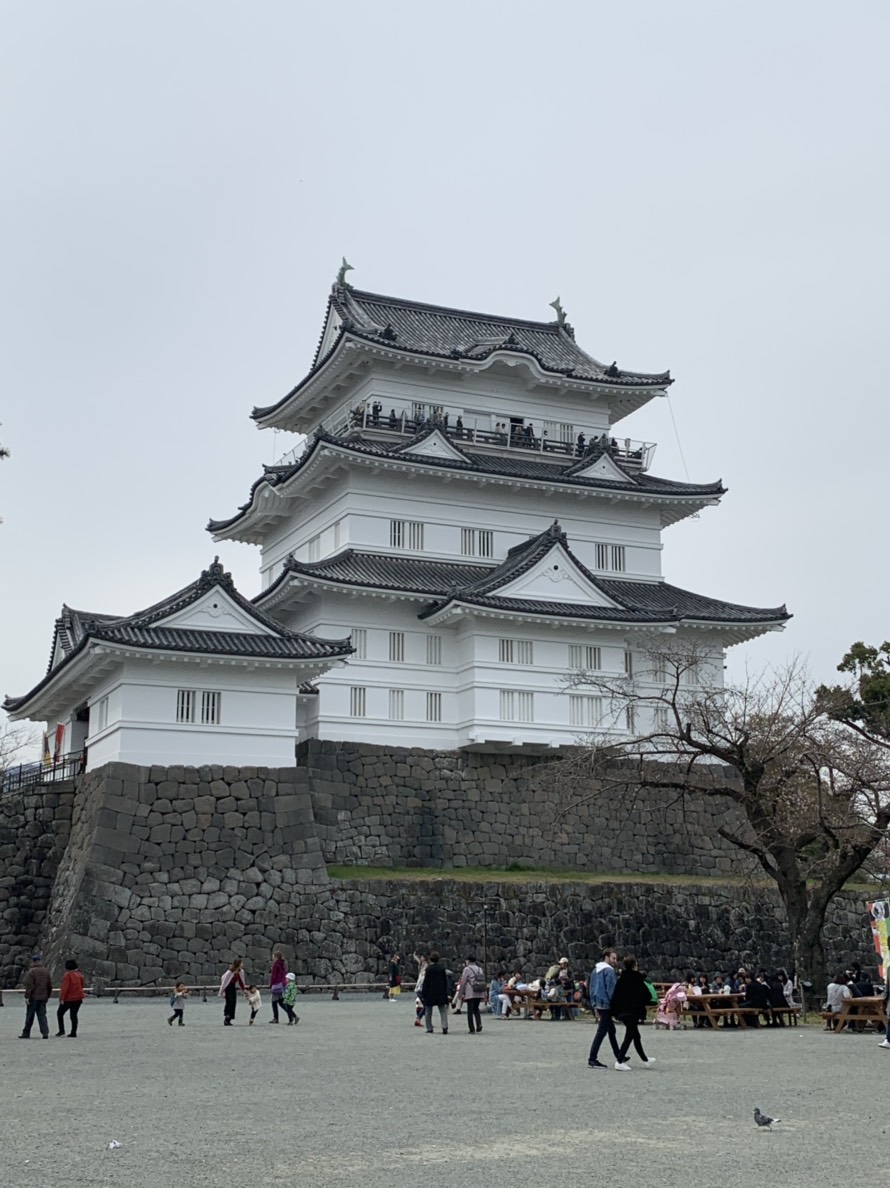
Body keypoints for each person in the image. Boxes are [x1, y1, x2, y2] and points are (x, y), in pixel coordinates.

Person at [610, 956, 656, 1070]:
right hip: (633, 1011)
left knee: (635, 1035)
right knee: (630, 1035)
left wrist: (614, 1011)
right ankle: (619, 1061)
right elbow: (647, 995)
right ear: (634, 965)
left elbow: (615, 996)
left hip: (622, 1011)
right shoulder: (637, 978)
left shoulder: (621, 979)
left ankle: (645, 1060)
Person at [586, 949, 622, 1069]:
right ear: (606, 957)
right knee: (601, 1031)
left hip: (598, 1002)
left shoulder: (595, 970)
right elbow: (611, 989)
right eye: (613, 958)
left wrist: (593, 1004)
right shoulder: (609, 971)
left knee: (611, 1030)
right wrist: (616, 1004)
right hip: (606, 1004)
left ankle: (619, 1055)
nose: (615, 961)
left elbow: (591, 987)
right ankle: (592, 1059)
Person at [19, 953, 52, 1039]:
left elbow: (29, 986)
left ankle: (26, 1033)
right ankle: (45, 1033)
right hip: (43, 997)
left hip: (33, 997)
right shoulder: (46, 971)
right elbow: (49, 985)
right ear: (40, 961)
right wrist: (47, 996)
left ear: (33, 962)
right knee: (42, 1016)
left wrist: (27, 997)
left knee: (30, 1015)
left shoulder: (31, 972)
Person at [420, 951, 449, 1034]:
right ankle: (444, 1026)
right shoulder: (442, 969)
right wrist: (446, 992)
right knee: (442, 1011)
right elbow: (445, 982)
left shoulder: (429, 969)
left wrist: (423, 993)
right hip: (440, 992)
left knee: (428, 1011)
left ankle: (429, 1027)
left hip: (430, 992)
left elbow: (426, 982)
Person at [458, 955, 486, 1034]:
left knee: (470, 1010)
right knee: (476, 1009)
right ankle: (479, 1024)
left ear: (468, 961)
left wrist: (460, 994)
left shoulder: (467, 969)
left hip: (470, 991)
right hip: (479, 990)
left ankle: (471, 1028)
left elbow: (463, 982)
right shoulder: (479, 969)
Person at [57, 958, 85, 1037]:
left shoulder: (67, 975)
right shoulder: (79, 974)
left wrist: (61, 998)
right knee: (73, 1015)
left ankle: (61, 1030)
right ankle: (73, 1032)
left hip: (69, 998)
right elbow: (82, 985)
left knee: (60, 1013)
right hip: (78, 998)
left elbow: (65, 988)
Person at [218, 958, 247, 1026]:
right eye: (241, 963)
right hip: (228, 987)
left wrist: (244, 990)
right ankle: (227, 1017)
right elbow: (224, 982)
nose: (242, 965)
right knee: (230, 1002)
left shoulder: (240, 972)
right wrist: (221, 991)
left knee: (233, 1002)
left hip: (233, 987)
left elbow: (241, 982)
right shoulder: (230, 972)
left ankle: (229, 1018)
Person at [269, 949, 288, 1023]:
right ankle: (292, 1014)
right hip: (281, 984)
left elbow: (273, 976)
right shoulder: (282, 964)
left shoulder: (275, 964)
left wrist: (271, 985)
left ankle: (276, 1018)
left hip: (276, 985)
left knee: (274, 1002)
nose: (272, 958)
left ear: (276, 957)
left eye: (273, 956)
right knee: (281, 1002)